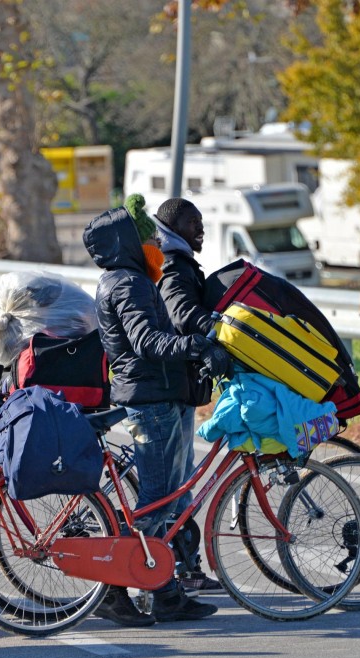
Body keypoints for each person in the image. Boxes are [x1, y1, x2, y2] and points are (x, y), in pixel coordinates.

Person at [86, 203, 231, 626]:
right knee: (157, 501)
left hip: (161, 394)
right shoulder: (127, 283)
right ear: (126, 242)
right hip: (151, 400)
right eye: (145, 237)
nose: (154, 243)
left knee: (170, 500)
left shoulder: (131, 279)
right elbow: (147, 342)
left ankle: (164, 591)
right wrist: (194, 345)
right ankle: (114, 589)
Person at [139, 195, 223, 594]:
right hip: (168, 384)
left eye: (202, 222)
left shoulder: (172, 258)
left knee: (179, 483)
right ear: (174, 227)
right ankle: (154, 571)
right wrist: (216, 327)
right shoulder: (173, 265)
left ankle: (182, 567)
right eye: (194, 223)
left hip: (176, 383)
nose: (200, 229)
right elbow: (181, 314)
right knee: (170, 487)